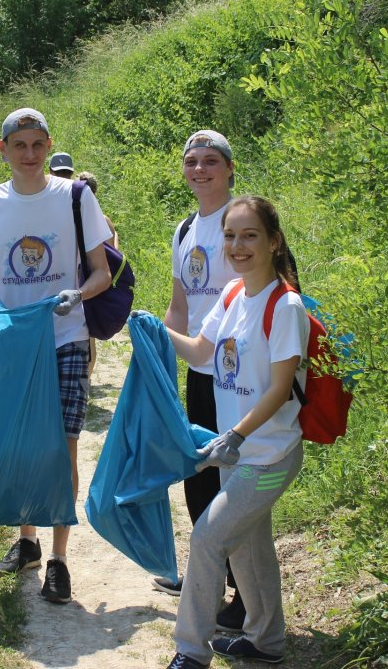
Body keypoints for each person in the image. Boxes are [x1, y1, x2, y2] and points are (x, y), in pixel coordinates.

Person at [0, 107, 113, 605]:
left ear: (49, 147)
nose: (29, 154)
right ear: (2, 150)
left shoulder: (74, 197)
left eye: (37, 145)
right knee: (23, 447)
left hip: (65, 336)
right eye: (19, 145)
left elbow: (101, 272)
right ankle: (27, 540)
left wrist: (79, 296)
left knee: (61, 448)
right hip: (14, 343)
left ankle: (59, 560)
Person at [162, 195, 308, 669]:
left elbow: (281, 388)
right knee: (248, 546)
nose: (238, 245)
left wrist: (236, 436)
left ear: (273, 241)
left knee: (208, 537)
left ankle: (190, 650)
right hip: (238, 454)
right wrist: (154, 330)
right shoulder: (232, 295)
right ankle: (267, 642)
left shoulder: (285, 306)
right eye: (230, 235)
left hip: (266, 457)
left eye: (249, 235)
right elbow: (203, 353)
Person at [154, 129, 246, 631]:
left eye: (211, 161)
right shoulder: (186, 228)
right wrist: (164, 356)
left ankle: (242, 592)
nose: (200, 170)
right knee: (199, 475)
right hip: (198, 368)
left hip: (237, 374)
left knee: (234, 477)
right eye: (192, 161)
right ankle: (209, 576)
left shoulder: (242, 221)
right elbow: (180, 304)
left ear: (230, 168)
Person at [75, 170, 118, 380]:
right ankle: (87, 380)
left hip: (87, 280)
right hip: (95, 279)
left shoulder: (77, 217)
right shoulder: (105, 220)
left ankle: (86, 380)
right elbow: (114, 253)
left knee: (87, 332)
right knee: (88, 332)